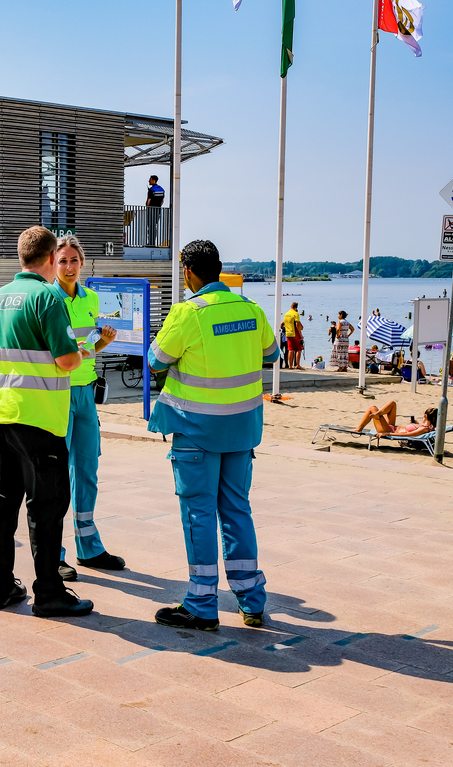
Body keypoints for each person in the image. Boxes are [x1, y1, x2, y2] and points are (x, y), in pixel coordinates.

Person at [147, 239, 278, 631]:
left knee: (199, 514)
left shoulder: (188, 313)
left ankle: (202, 603)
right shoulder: (250, 309)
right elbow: (271, 354)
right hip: (242, 430)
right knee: (237, 511)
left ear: (188, 272)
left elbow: (155, 359)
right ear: (219, 268)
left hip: (197, 432)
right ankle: (252, 601)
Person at [0, 225, 93, 618]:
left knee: (2, 505)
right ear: (50, 259)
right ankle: (49, 592)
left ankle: (0, 587)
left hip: (0, 415)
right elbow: (65, 361)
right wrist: (84, 352)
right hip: (40, 421)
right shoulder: (48, 297)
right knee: (46, 508)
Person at [51, 235, 123, 580]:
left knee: (87, 471)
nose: (68, 267)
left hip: (84, 395)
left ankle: (89, 548)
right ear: (53, 262)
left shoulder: (92, 298)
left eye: (73, 260)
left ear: (82, 263)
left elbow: (86, 346)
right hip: (57, 392)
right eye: (62, 261)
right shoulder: (47, 298)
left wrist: (102, 342)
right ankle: (55, 554)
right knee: (56, 477)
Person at [356, 402, 436, 436]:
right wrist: (415, 423)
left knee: (372, 408)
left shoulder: (425, 429)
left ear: (425, 416)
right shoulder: (425, 426)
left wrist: (387, 434)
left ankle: (359, 429)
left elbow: (406, 435)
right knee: (393, 404)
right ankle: (379, 414)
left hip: (389, 430)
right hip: (392, 427)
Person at [145, 175, 165, 247]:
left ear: (153, 180)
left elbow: (149, 201)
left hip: (151, 210)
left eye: (150, 179)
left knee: (150, 226)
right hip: (157, 210)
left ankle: (150, 242)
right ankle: (153, 242)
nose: (149, 181)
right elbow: (162, 201)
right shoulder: (161, 189)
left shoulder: (151, 190)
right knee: (154, 226)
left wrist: (147, 207)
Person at [283, 302, 303, 370]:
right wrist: (300, 334)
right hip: (294, 333)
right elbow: (297, 324)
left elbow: (282, 323)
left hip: (288, 333)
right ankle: (297, 365)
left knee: (290, 349)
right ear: (296, 307)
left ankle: (290, 365)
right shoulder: (295, 313)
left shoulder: (286, 314)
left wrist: (285, 329)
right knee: (299, 349)